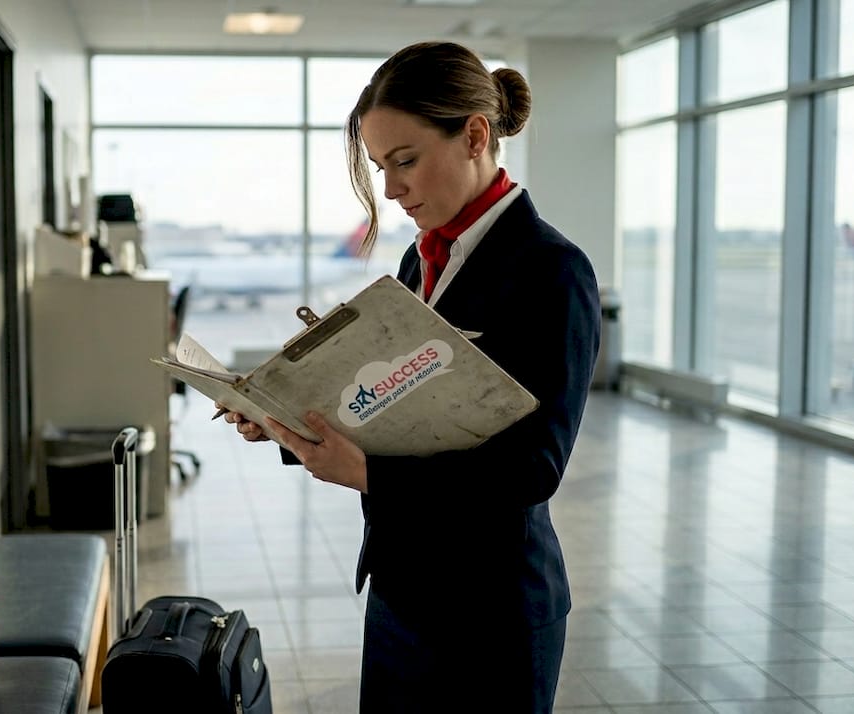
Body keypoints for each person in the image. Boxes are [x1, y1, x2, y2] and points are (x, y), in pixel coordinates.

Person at [221, 40, 600, 713]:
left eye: (405, 162)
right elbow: (392, 412)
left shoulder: (552, 271)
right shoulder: (417, 263)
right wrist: (283, 421)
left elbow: (532, 469)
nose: (391, 189)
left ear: (475, 135)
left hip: (493, 613)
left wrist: (368, 475)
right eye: (380, 166)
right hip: (402, 594)